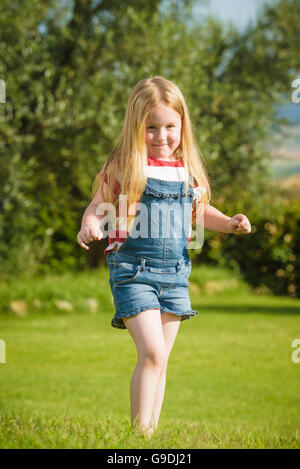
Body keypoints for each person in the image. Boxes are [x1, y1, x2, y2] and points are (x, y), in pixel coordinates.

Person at [77, 76, 251, 438]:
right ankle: (138, 437)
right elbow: (97, 206)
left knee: (161, 360)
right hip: (133, 271)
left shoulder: (186, 171)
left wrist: (230, 223)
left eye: (169, 126)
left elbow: (199, 213)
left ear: (182, 125)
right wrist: (90, 225)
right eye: (150, 127)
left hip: (174, 274)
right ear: (135, 126)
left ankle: (150, 434)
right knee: (152, 353)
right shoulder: (126, 166)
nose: (161, 136)